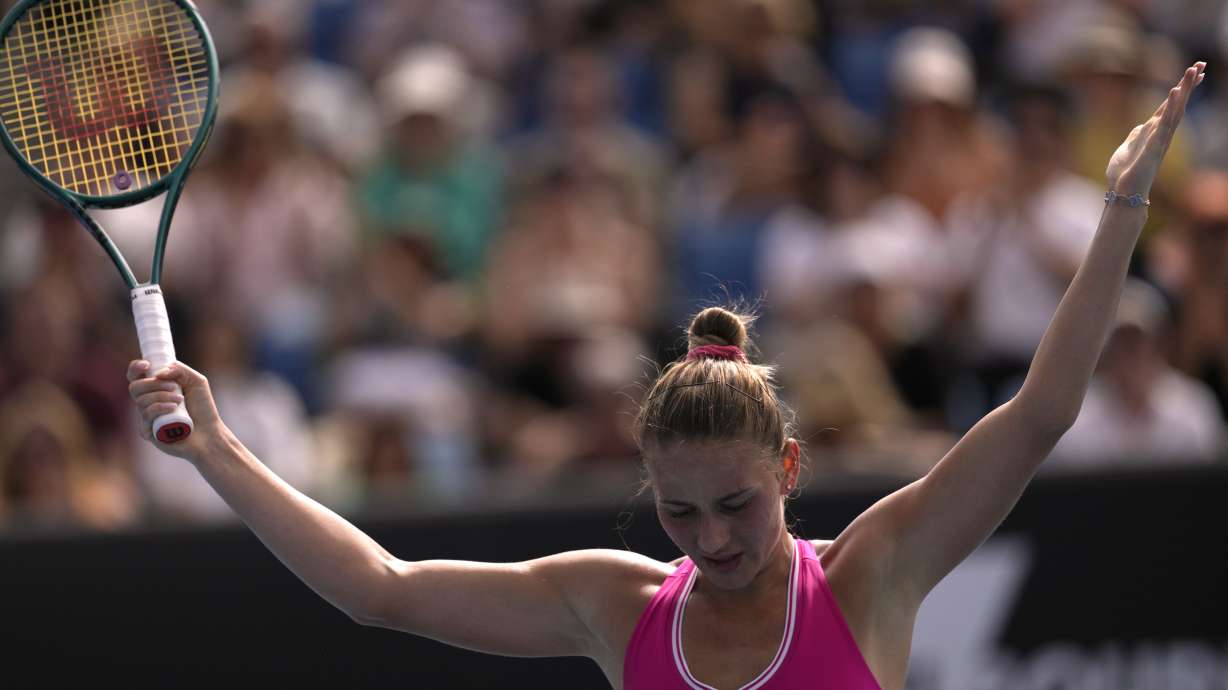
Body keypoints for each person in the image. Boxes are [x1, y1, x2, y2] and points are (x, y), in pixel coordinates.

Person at [126, 63, 1206, 690]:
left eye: (735, 503)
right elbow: (382, 590)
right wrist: (220, 451)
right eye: (681, 513)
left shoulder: (876, 572)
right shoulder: (618, 605)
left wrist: (1120, 206)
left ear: (789, 467)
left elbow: (1042, 411)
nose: (712, 538)